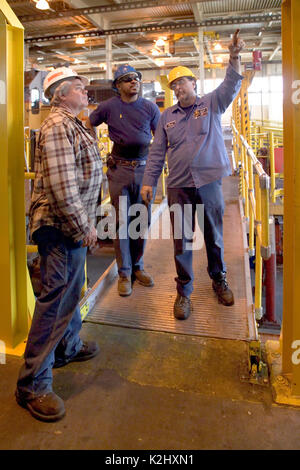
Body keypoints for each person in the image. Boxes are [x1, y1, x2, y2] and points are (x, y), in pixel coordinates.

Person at [16, 67, 103, 422]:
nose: (86, 94)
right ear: (63, 93)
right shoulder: (56, 126)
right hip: (59, 225)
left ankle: (66, 346)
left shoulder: (73, 124)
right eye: (80, 89)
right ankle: (32, 383)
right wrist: (85, 227)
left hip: (71, 224)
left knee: (71, 290)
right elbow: (62, 188)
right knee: (55, 300)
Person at [141, 30, 245, 320]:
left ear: (193, 83)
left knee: (214, 235)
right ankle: (184, 291)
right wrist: (149, 181)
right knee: (182, 239)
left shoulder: (211, 103)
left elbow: (232, 84)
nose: (177, 89)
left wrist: (234, 56)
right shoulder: (167, 116)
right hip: (178, 185)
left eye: (181, 83)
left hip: (209, 182)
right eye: (173, 85)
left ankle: (218, 279)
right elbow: (157, 151)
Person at [86, 65, 160, 297]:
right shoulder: (108, 107)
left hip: (143, 171)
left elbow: (160, 139)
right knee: (122, 224)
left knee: (141, 221)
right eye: (127, 79)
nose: (133, 82)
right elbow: (90, 123)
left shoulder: (150, 107)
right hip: (119, 172)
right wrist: (91, 147)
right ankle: (124, 273)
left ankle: (138, 267)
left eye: (136, 78)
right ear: (118, 86)